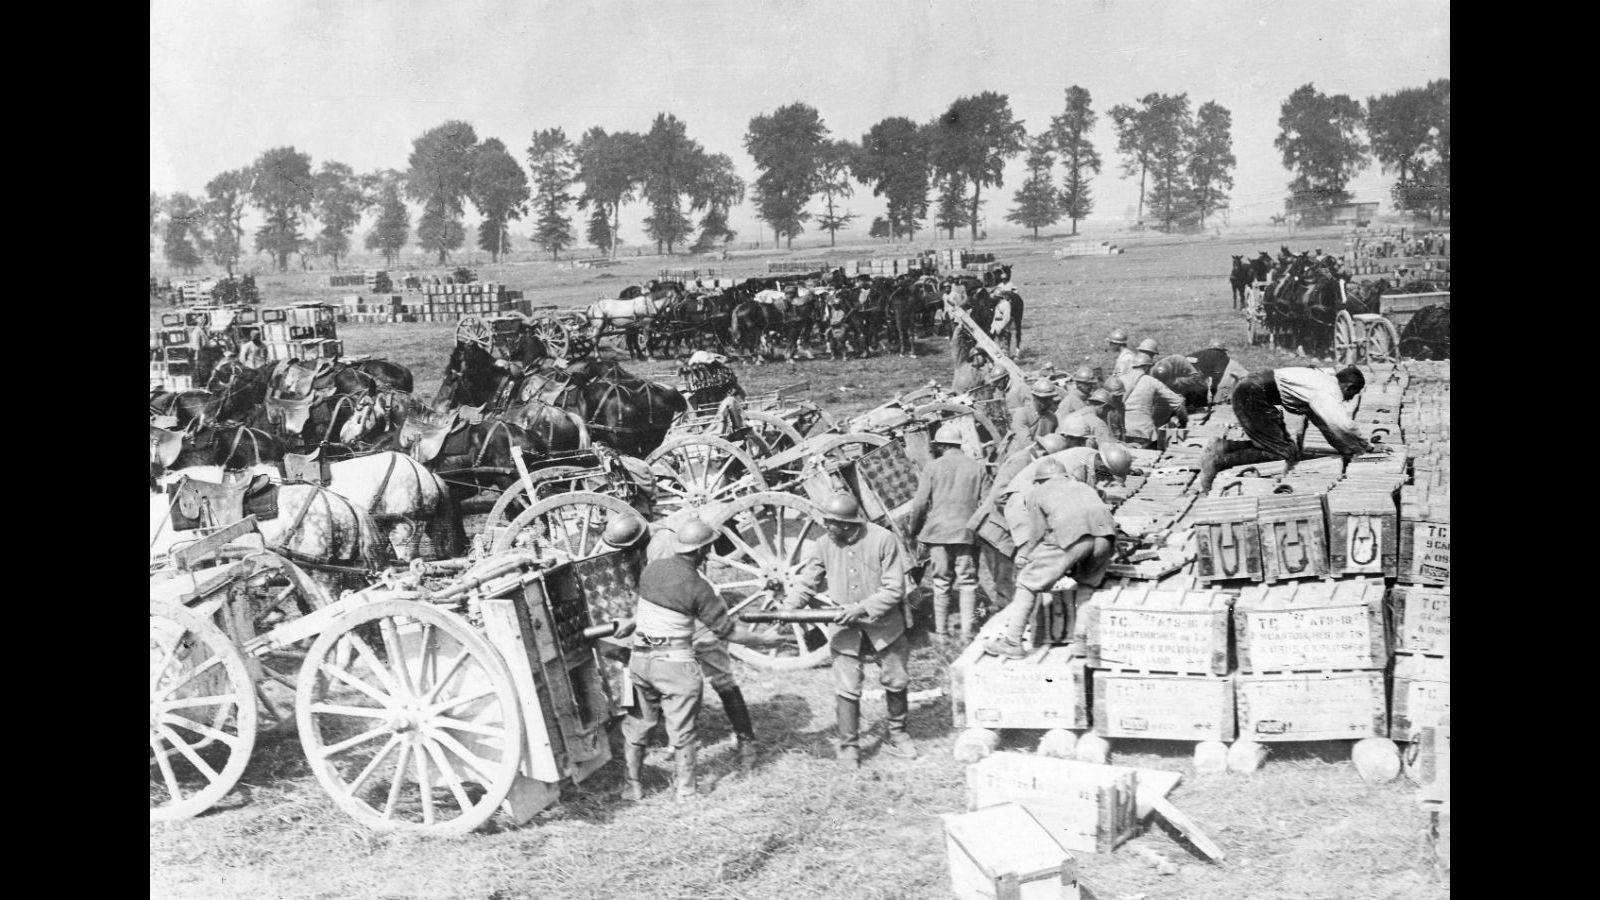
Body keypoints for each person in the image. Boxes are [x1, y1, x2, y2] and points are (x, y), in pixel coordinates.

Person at [615, 518, 777, 800]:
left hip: (641, 660)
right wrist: (763, 640)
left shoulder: (651, 570)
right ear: (704, 550)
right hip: (676, 662)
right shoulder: (699, 587)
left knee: (638, 723)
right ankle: (687, 791)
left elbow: (653, 606)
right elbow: (728, 632)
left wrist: (633, 621)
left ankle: (632, 786)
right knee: (685, 726)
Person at [788, 493, 916, 766]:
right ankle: (849, 747)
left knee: (897, 678)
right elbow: (807, 583)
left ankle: (898, 733)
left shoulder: (883, 539)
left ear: (847, 524)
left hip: (885, 625)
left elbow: (895, 589)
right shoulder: (823, 545)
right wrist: (787, 607)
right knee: (847, 686)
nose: (826, 528)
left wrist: (861, 608)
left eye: (831, 524)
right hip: (845, 631)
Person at [982, 460, 1117, 659]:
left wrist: (1029, 555)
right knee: (1086, 587)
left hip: (1073, 536)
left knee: (1027, 584)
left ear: (1040, 480)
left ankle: (1012, 642)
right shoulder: (1082, 486)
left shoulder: (1037, 493)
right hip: (1105, 537)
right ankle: (1082, 642)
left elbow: (1037, 532)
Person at [1197, 365, 1389, 493]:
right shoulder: (1328, 392)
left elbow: (1325, 426)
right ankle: (1219, 462)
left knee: (1280, 447)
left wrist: (1347, 450)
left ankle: (1222, 446)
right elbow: (1344, 425)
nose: (1350, 399)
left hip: (1252, 388)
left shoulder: (1322, 382)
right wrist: (1367, 447)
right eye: (1352, 394)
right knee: (1282, 453)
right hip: (1252, 393)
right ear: (1348, 386)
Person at [966, 433, 1071, 625]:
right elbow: (999, 496)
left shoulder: (1032, 461)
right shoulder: (1021, 460)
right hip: (995, 529)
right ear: (1043, 452)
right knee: (1006, 584)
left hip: (1007, 530)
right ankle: (1001, 628)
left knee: (1011, 582)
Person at [905, 423, 985, 643]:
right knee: (968, 580)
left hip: (938, 533)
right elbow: (987, 503)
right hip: (967, 532)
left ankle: (941, 633)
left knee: (941, 581)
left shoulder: (932, 467)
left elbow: (920, 504)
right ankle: (967, 632)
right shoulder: (977, 467)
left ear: (940, 445)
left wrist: (913, 530)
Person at [1120, 355, 1188, 449]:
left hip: (1122, 432)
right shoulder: (1151, 381)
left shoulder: (1120, 379)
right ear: (1147, 367)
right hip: (1143, 432)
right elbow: (1178, 402)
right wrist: (1184, 421)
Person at [999, 379, 1061, 458]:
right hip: (1020, 456)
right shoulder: (1021, 414)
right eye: (1044, 399)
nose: (1048, 402)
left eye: (1050, 398)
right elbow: (1026, 443)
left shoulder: (1052, 418)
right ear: (1034, 397)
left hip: (1043, 457)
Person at [1188, 340, 1251, 405]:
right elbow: (1247, 376)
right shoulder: (1225, 360)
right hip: (1215, 397)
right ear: (1223, 351)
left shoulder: (1199, 355)